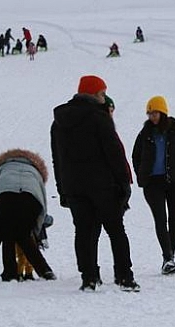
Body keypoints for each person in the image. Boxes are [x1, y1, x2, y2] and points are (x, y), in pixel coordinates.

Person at [50, 75, 139, 292]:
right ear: (92, 94)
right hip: (103, 186)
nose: (103, 97)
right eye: (101, 93)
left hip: (74, 187)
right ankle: (124, 276)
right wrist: (123, 183)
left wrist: (62, 188)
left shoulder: (59, 122)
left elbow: (57, 158)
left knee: (83, 231)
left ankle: (89, 277)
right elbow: (114, 153)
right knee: (116, 230)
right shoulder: (99, 118)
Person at [132, 96, 175, 275]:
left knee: (174, 221)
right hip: (152, 184)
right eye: (149, 113)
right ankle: (167, 257)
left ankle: (170, 257)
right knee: (160, 220)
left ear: (163, 112)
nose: (152, 117)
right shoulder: (144, 134)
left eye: (155, 113)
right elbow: (136, 156)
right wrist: (141, 174)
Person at [0, 149, 56, 282]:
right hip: (30, 198)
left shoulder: (2, 169)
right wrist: (38, 227)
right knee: (25, 236)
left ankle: (10, 273)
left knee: (7, 236)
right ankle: (45, 271)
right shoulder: (35, 171)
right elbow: (42, 199)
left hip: (3, 197)